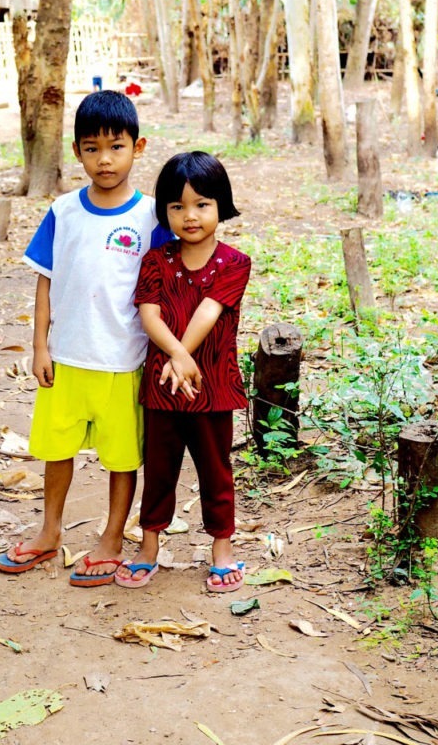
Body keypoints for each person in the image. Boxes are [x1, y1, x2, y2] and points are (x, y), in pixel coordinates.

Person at [0, 90, 171, 586]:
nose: (104, 159)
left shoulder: (152, 217)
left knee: (121, 456)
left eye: (116, 147)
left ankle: (113, 536)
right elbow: (45, 278)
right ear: (76, 152)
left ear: (138, 148)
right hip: (67, 357)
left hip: (124, 359)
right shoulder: (65, 211)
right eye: (91, 148)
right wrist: (39, 345)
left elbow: (166, 286)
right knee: (56, 449)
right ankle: (49, 531)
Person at [114, 151, 251, 592]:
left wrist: (182, 356)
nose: (189, 216)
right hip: (162, 390)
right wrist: (178, 357)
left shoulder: (234, 262)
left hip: (214, 388)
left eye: (201, 204)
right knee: (159, 471)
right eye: (177, 206)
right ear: (164, 212)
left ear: (221, 205)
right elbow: (149, 317)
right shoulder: (155, 260)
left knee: (216, 470)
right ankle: (149, 546)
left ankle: (223, 550)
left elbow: (210, 310)